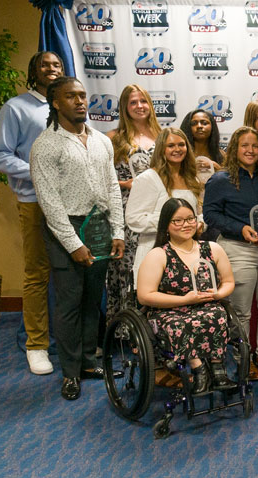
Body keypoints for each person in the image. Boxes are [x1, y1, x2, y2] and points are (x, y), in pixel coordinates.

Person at [30, 76, 124, 400]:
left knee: (90, 301)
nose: (80, 101)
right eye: (71, 96)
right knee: (69, 302)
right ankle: (70, 373)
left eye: (82, 96)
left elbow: (112, 187)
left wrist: (118, 230)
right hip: (65, 230)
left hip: (99, 227)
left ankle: (86, 362)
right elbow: (50, 202)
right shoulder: (45, 145)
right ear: (56, 102)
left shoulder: (101, 141)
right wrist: (74, 245)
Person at [0, 51, 63, 375]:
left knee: (71, 273)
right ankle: (36, 344)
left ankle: (69, 339)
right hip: (34, 202)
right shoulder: (16, 107)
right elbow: (0, 155)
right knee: (37, 273)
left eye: (57, 65)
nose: (51, 69)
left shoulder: (70, 105)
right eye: (45, 65)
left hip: (70, 204)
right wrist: (38, 171)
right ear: (33, 72)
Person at [203, 126, 258, 380]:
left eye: (255, 146)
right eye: (244, 146)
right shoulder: (220, 180)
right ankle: (244, 357)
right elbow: (211, 215)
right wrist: (241, 229)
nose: (250, 150)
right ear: (234, 149)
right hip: (237, 249)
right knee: (241, 310)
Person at [137, 198, 236, 394]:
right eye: (178, 221)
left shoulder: (212, 249)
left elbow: (229, 282)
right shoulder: (158, 255)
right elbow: (144, 296)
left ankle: (218, 370)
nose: (186, 225)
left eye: (190, 219)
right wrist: (184, 300)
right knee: (181, 323)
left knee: (217, 315)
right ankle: (199, 369)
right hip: (169, 309)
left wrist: (217, 294)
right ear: (166, 225)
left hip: (206, 304)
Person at [106, 85, 160, 322]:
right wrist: (124, 183)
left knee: (157, 264)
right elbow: (102, 178)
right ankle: (125, 327)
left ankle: (157, 326)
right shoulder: (113, 138)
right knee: (126, 268)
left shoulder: (163, 136)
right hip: (126, 209)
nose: (139, 106)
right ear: (125, 108)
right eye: (133, 102)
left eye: (143, 101)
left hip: (157, 208)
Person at [126, 127, 203, 281]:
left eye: (181, 145)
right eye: (171, 145)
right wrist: (170, 224)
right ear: (162, 149)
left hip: (187, 253)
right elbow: (133, 219)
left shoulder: (192, 179)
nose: (177, 149)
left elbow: (198, 213)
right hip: (154, 252)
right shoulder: (148, 178)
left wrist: (199, 223)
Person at [180, 108, 225, 183]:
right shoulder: (181, 155)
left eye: (204, 123)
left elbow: (230, 183)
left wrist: (217, 169)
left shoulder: (222, 155)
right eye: (194, 123)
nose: (199, 126)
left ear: (212, 126)